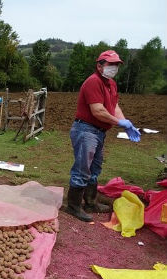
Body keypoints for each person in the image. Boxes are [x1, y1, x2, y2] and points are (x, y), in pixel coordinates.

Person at [67, 50, 141, 222]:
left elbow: (114, 107)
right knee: (82, 168)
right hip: (86, 130)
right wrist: (119, 123)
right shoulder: (93, 82)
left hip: (99, 132)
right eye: (111, 64)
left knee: (95, 168)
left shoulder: (111, 84)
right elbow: (98, 110)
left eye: (116, 65)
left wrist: (127, 123)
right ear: (99, 66)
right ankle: (73, 206)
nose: (114, 68)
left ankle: (91, 203)